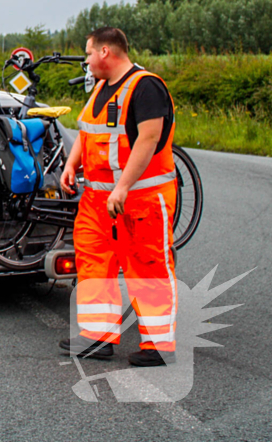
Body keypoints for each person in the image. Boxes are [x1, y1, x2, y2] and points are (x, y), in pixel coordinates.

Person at [58, 27, 178, 368]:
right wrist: (71, 164)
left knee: (148, 266)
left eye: (88, 53)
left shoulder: (145, 87)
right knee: (94, 264)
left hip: (141, 199)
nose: (86, 61)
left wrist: (122, 187)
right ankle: (97, 337)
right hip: (97, 202)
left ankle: (158, 345)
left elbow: (149, 138)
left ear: (105, 52)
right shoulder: (101, 87)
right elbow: (87, 131)